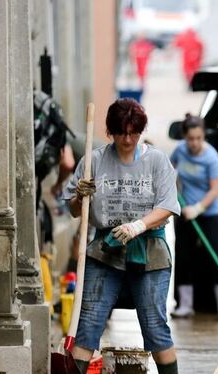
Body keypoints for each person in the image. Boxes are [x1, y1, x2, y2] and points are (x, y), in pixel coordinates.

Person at [63, 98, 181, 374]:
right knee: (89, 321)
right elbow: (73, 211)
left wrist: (137, 226)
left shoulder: (156, 161)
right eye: (121, 132)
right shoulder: (93, 162)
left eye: (133, 132)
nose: (127, 139)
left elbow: (167, 206)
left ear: (140, 131)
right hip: (105, 250)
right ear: (110, 132)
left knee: (154, 323)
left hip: (149, 251)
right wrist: (80, 195)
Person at [169, 114, 218, 318]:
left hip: (210, 213)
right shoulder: (180, 151)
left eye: (198, 138)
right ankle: (185, 305)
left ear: (203, 136)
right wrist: (175, 193)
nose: (194, 143)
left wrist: (198, 208)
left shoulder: (211, 156)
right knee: (184, 257)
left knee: (214, 257)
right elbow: (169, 171)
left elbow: (215, 190)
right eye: (190, 138)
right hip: (186, 213)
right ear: (185, 137)